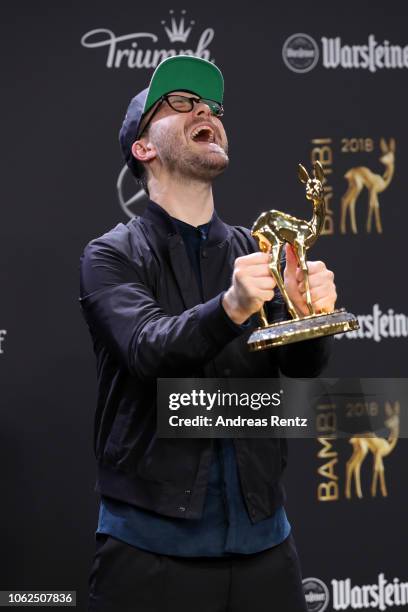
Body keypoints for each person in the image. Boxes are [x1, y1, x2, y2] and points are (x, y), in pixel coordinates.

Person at [79, 55, 337, 612]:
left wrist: (310, 317)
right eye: (179, 103)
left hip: (267, 550)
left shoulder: (258, 248)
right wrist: (231, 307)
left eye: (213, 106)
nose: (205, 110)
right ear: (143, 148)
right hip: (148, 557)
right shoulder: (111, 255)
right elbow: (148, 349)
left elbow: (302, 369)